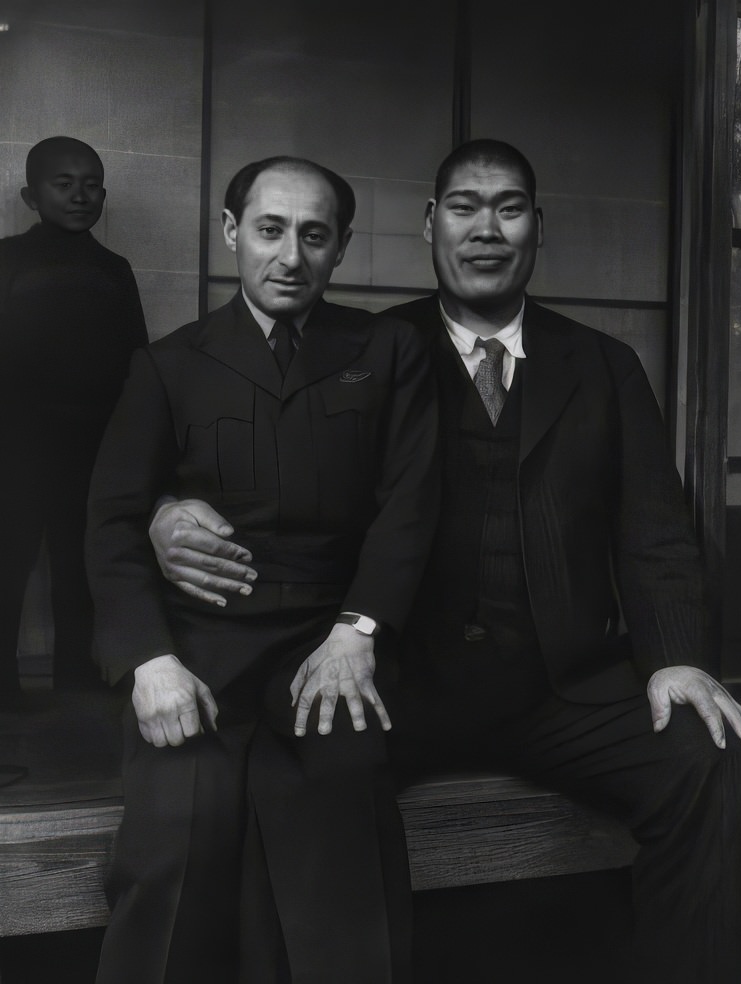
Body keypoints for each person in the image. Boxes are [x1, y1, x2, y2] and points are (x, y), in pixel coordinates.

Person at [149, 140, 741, 984]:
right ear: (431, 224)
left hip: (563, 687)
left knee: (714, 756)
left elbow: (655, 532)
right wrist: (161, 513)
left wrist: (680, 659)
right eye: (466, 208)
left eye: (509, 208)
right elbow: (271, 493)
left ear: (537, 228)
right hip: (401, 677)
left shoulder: (604, 365)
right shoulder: (364, 352)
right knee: (301, 759)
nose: (487, 229)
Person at [85, 156, 438, 983]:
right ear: (232, 231)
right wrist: (149, 661)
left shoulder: (386, 350)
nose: (291, 257)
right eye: (271, 230)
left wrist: (360, 632)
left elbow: (412, 505)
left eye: (315, 236)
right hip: (196, 646)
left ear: (342, 246)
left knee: (343, 804)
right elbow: (109, 519)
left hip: (326, 639)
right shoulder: (169, 363)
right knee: (180, 819)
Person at [0, 136, 147, 704]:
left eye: (92, 185)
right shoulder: (7, 259)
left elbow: (136, 357)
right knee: (6, 568)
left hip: (91, 446)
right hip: (14, 445)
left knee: (81, 574)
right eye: (64, 184)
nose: (81, 195)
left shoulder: (115, 269)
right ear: (30, 196)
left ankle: (78, 694)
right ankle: (4, 699)